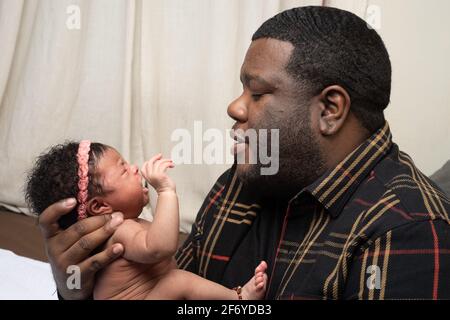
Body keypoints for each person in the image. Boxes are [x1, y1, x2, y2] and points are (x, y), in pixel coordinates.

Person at [38, 6, 450, 300]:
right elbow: (164, 287)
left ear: (329, 110)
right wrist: (75, 284)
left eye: (256, 92)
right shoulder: (245, 179)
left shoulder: (409, 233)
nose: (235, 108)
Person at [26, 140, 268, 299]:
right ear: (100, 206)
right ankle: (239, 298)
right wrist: (165, 191)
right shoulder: (119, 230)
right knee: (177, 281)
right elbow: (160, 248)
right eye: (123, 169)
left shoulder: (125, 227)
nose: (134, 168)